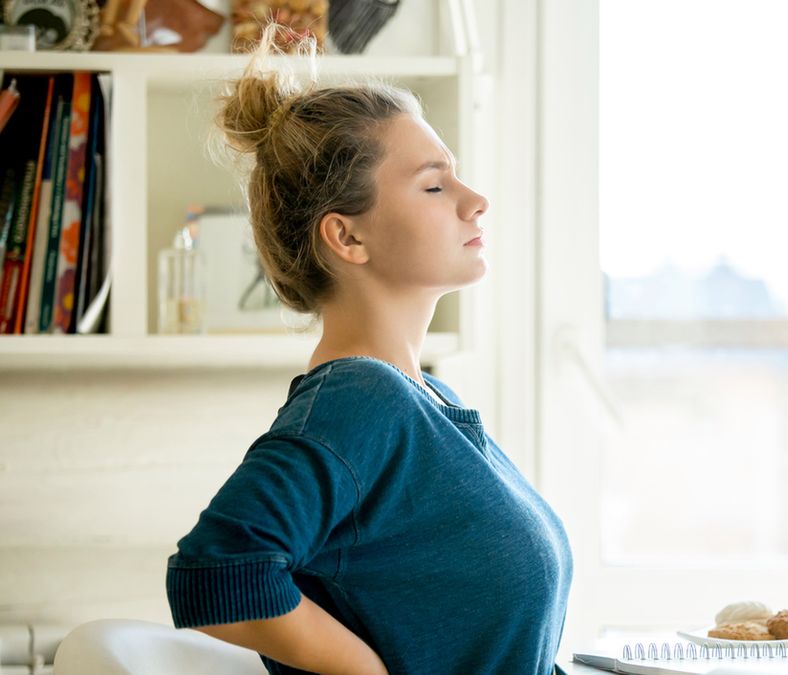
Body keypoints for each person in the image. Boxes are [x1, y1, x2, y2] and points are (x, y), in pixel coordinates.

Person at [165, 25, 573, 675]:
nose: (476, 202)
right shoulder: (361, 400)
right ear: (346, 237)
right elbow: (214, 571)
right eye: (435, 186)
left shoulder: (427, 400)